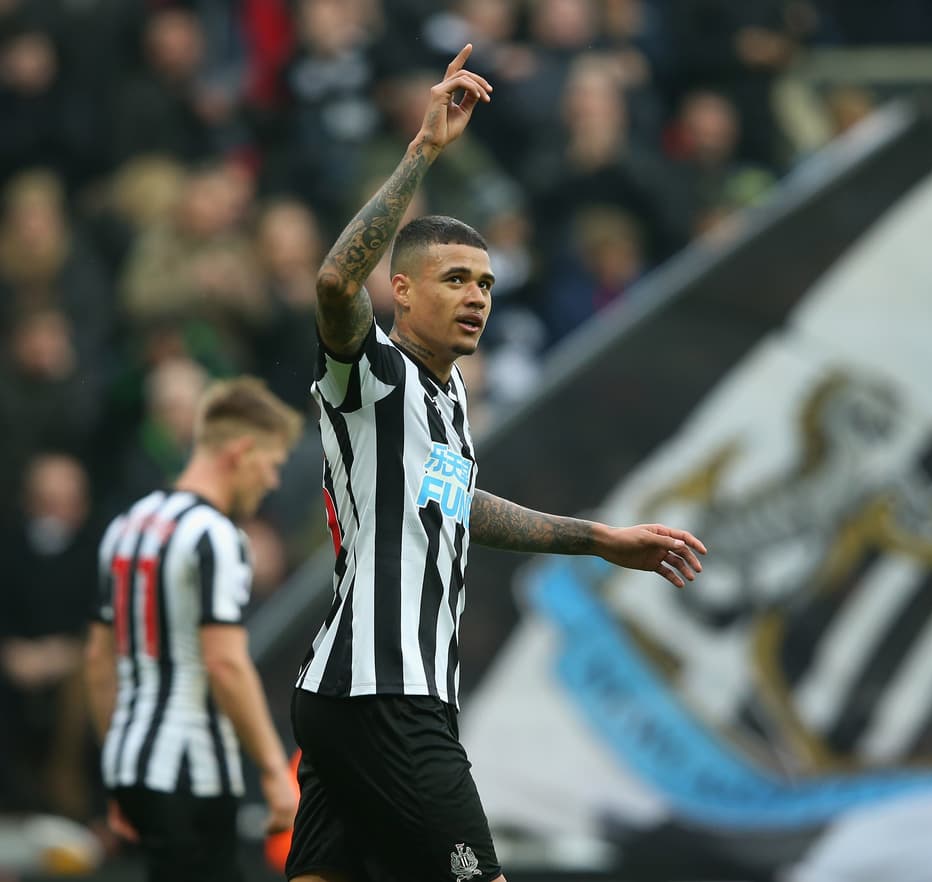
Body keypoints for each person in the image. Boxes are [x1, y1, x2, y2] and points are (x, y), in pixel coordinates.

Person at [286, 44, 707, 882]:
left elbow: (463, 505)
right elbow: (334, 284)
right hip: (387, 691)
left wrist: (601, 540)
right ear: (403, 291)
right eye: (454, 279)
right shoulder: (373, 374)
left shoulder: (445, 399)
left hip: (350, 693)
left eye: (484, 282)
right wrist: (423, 150)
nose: (477, 296)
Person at [83, 377, 304, 882]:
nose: (271, 481)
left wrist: (119, 767)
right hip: (193, 772)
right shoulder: (217, 536)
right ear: (241, 452)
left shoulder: (127, 525)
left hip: (134, 764)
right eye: (271, 464)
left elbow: (98, 663)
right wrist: (275, 771)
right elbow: (225, 664)